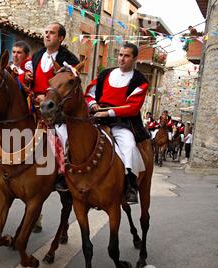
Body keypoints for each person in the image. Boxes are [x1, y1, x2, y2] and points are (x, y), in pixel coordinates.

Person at [85, 42, 149, 204]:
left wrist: (108, 112)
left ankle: (130, 186)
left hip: (123, 123)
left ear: (134, 59)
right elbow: (89, 94)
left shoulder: (140, 81)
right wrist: (93, 105)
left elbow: (132, 108)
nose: (122, 59)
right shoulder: (105, 74)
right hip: (97, 119)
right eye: (120, 55)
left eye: (126, 56)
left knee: (129, 145)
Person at [25, 22, 80, 192]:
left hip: (56, 109)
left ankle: (63, 174)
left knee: (62, 136)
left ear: (61, 38)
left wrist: (47, 98)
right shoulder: (36, 56)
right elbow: (31, 78)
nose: (47, 35)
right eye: (46, 32)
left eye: (52, 33)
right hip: (33, 105)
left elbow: (70, 86)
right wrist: (28, 78)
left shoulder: (70, 59)